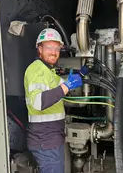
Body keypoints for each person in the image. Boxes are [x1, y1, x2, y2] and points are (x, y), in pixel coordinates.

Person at [24, 28, 83, 173]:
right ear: (39, 48)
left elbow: (58, 89)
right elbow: (38, 102)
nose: (53, 52)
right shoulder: (36, 70)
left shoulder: (49, 72)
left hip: (51, 139)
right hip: (45, 141)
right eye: (49, 47)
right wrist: (66, 86)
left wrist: (80, 74)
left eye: (57, 48)